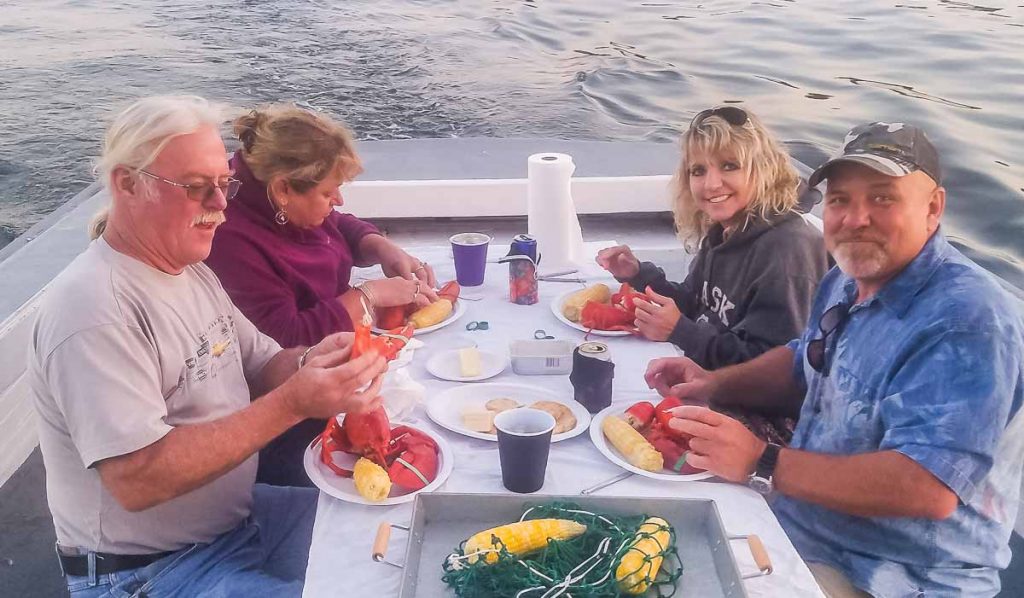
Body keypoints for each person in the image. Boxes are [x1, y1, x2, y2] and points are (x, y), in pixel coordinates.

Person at [28, 95, 388, 598]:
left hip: (236, 524)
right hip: (147, 572)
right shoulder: (92, 310)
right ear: (127, 183)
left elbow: (262, 361)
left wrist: (318, 360)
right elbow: (139, 478)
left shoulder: (188, 268)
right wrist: (294, 402)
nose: (221, 207)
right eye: (197, 188)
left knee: (395, 528)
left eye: (225, 185)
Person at [648, 122, 1024, 597]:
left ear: (933, 208)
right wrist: (713, 383)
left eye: (882, 198)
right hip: (799, 520)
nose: (855, 218)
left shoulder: (967, 321)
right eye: (841, 199)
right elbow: (804, 360)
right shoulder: (848, 278)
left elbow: (928, 488)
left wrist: (762, 462)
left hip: (892, 576)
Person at [204, 104, 437, 486]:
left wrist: (378, 246)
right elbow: (284, 340)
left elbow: (336, 224)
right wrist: (370, 295)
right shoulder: (232, 241)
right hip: (284, 414)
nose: (339, 201)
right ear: (282, 190)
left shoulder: (281, 201)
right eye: (330, 192)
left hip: (331, 364)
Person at [597, 105, 828, 444]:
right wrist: (638, 275)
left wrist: (682, 332)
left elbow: (778, 372)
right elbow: (696, 303)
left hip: (772, 419)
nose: (711, 184)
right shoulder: (727, 228)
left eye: (729, 166)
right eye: (698, 170)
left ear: (762, 169)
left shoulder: (787, 251)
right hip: (710, 376)